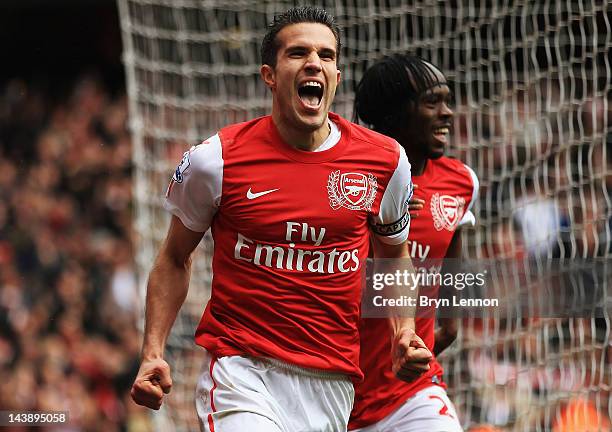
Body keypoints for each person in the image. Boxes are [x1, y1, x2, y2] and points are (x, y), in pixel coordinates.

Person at [131, 7, 430, 432]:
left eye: (326, 56)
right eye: (299, 53)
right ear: (269, 74)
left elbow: (393, 256)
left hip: (332, 381)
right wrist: (152, 350)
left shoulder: (384, 161)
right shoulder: (215, 160)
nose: (314, 63)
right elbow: (174, 257)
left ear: (337, 77)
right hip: (241, 370)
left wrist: (403, 331)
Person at [349, 55, 479, 431]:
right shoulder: (351, 183)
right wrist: (379, 221)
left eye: (447, 101)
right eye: (431, 102)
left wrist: (447, 330)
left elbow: (452, 268)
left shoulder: (461, 182)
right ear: (394, 114)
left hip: (410, 394)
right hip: (337, 392)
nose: (447, 113)